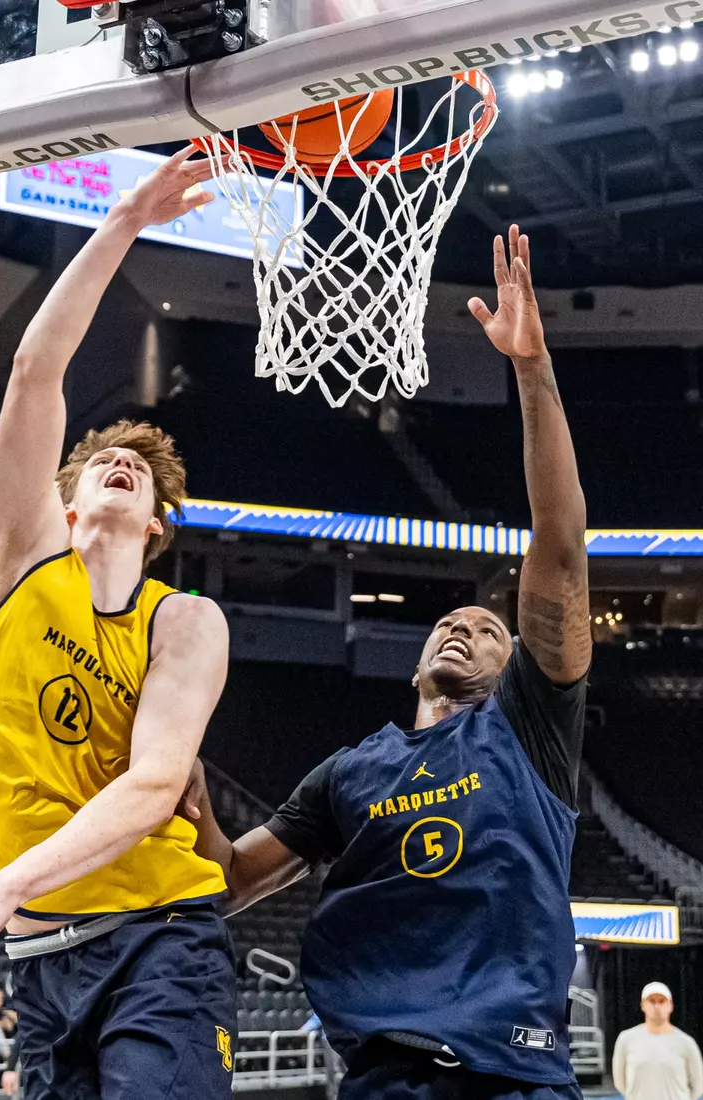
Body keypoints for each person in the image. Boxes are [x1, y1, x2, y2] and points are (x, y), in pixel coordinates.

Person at [0, 147, 236, 1100]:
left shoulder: (184, 621)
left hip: (160, 933)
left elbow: (154, 786)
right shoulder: (19, 560)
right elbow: (36, 370)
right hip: (40, 960)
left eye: (140, 472)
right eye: (103, 460)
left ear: (155, 525)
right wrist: (124, 222)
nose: (121, 463)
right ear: (64, 506)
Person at [184, 226, 591, 1100]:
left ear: (516, 667)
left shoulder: (531, 729)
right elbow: (227, 881)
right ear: (412, 669)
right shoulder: (348, 773)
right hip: (381, 1077)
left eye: (486, 629)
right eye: (447, 622)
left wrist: (531, 370)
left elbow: (559, 549)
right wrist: (183, 780)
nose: (461, 628)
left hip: (514, 1073)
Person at [612, 982, 703, 1100]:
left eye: (661, 1001)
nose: (657, 1006)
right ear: (643, 1005)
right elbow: (620, 1082)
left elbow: (699, 1085)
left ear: (670, 1005)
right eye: (652, 1001)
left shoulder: (686, 1043)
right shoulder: (626, 1039)